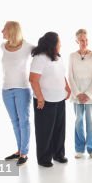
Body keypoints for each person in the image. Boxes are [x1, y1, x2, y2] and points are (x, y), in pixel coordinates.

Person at [30, 32, 71, 167]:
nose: (60, 44)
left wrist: (67, 87)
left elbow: (62, 74)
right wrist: (40, 98)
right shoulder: (40, 58)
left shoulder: (57, 57)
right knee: (45, 131)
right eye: (59, 42)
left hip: (59, 99)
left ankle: (58, 154)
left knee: (59, 129)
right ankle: (44, 158)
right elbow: (33, 80)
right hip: (45, 101)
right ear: (52, 43)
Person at [0, 21, 34, 165]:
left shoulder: (28, 47)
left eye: (4, 29)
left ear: (12, 30)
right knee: (15, 122)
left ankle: (24, 153)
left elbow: (43, 56)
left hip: (22, 89)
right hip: (6, 89)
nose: (2, 31)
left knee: (24, 121)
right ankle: (19, 150)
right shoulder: (3, 46)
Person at [69, 29, 92, 159]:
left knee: (91, 122)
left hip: (91, 96)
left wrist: (87, 94)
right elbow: (70, 76)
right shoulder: (72, 56)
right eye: (81, 40)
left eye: (86, 39)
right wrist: (78, 93)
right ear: (77, 40)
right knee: (78, 121)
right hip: (77, 96)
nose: (84, 42)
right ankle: (79, 148)